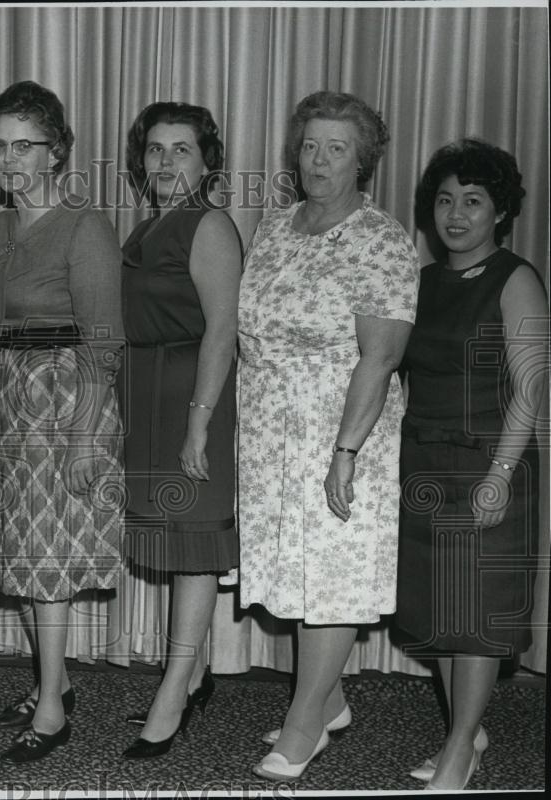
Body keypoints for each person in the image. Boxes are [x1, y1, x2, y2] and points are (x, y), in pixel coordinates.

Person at [236, 90, 420, 781]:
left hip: (341, 430)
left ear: (362, 160)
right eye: (310, 145)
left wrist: (346, 451)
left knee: (331, 579)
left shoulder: (381, 240)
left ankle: (305, 724)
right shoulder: (275, 226)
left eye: (336, 148)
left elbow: (381, 357)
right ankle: (328, 698)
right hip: (267, 431)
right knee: (295, 577)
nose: (319, 160)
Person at [0, 80, 125, 763]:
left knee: (49, 561)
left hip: (66, 399)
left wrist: (88, 436)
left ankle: (55, 710)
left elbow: (103, 339)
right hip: (10, 398)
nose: (10, 159)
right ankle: (50, 683)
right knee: (28, 553)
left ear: (56, 150)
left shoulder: (84, 223)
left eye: (24, 146)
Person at [397, 139, 547, 791]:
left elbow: (531, 387)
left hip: (489, 464)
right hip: (423, 463)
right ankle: (468, 728)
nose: (456, 214)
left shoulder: (515, 278)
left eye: (474, 201)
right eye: (446, 199)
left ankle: (459, 748)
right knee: (438, 612)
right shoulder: (420, 282)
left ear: (501, 213)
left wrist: (500, 476)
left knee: (477, 617)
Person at [117, 102, 241, 759]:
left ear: (206, 160)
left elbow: (223, 329)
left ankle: (173, 689)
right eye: (156, 150)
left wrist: (198, 425)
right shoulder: (147, 229)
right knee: (171, 542)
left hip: (196, 402)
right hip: (150, 401)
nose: (166, 162)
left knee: (194, 549)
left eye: (182, 149)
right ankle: (192, 672)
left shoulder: (209, 225)